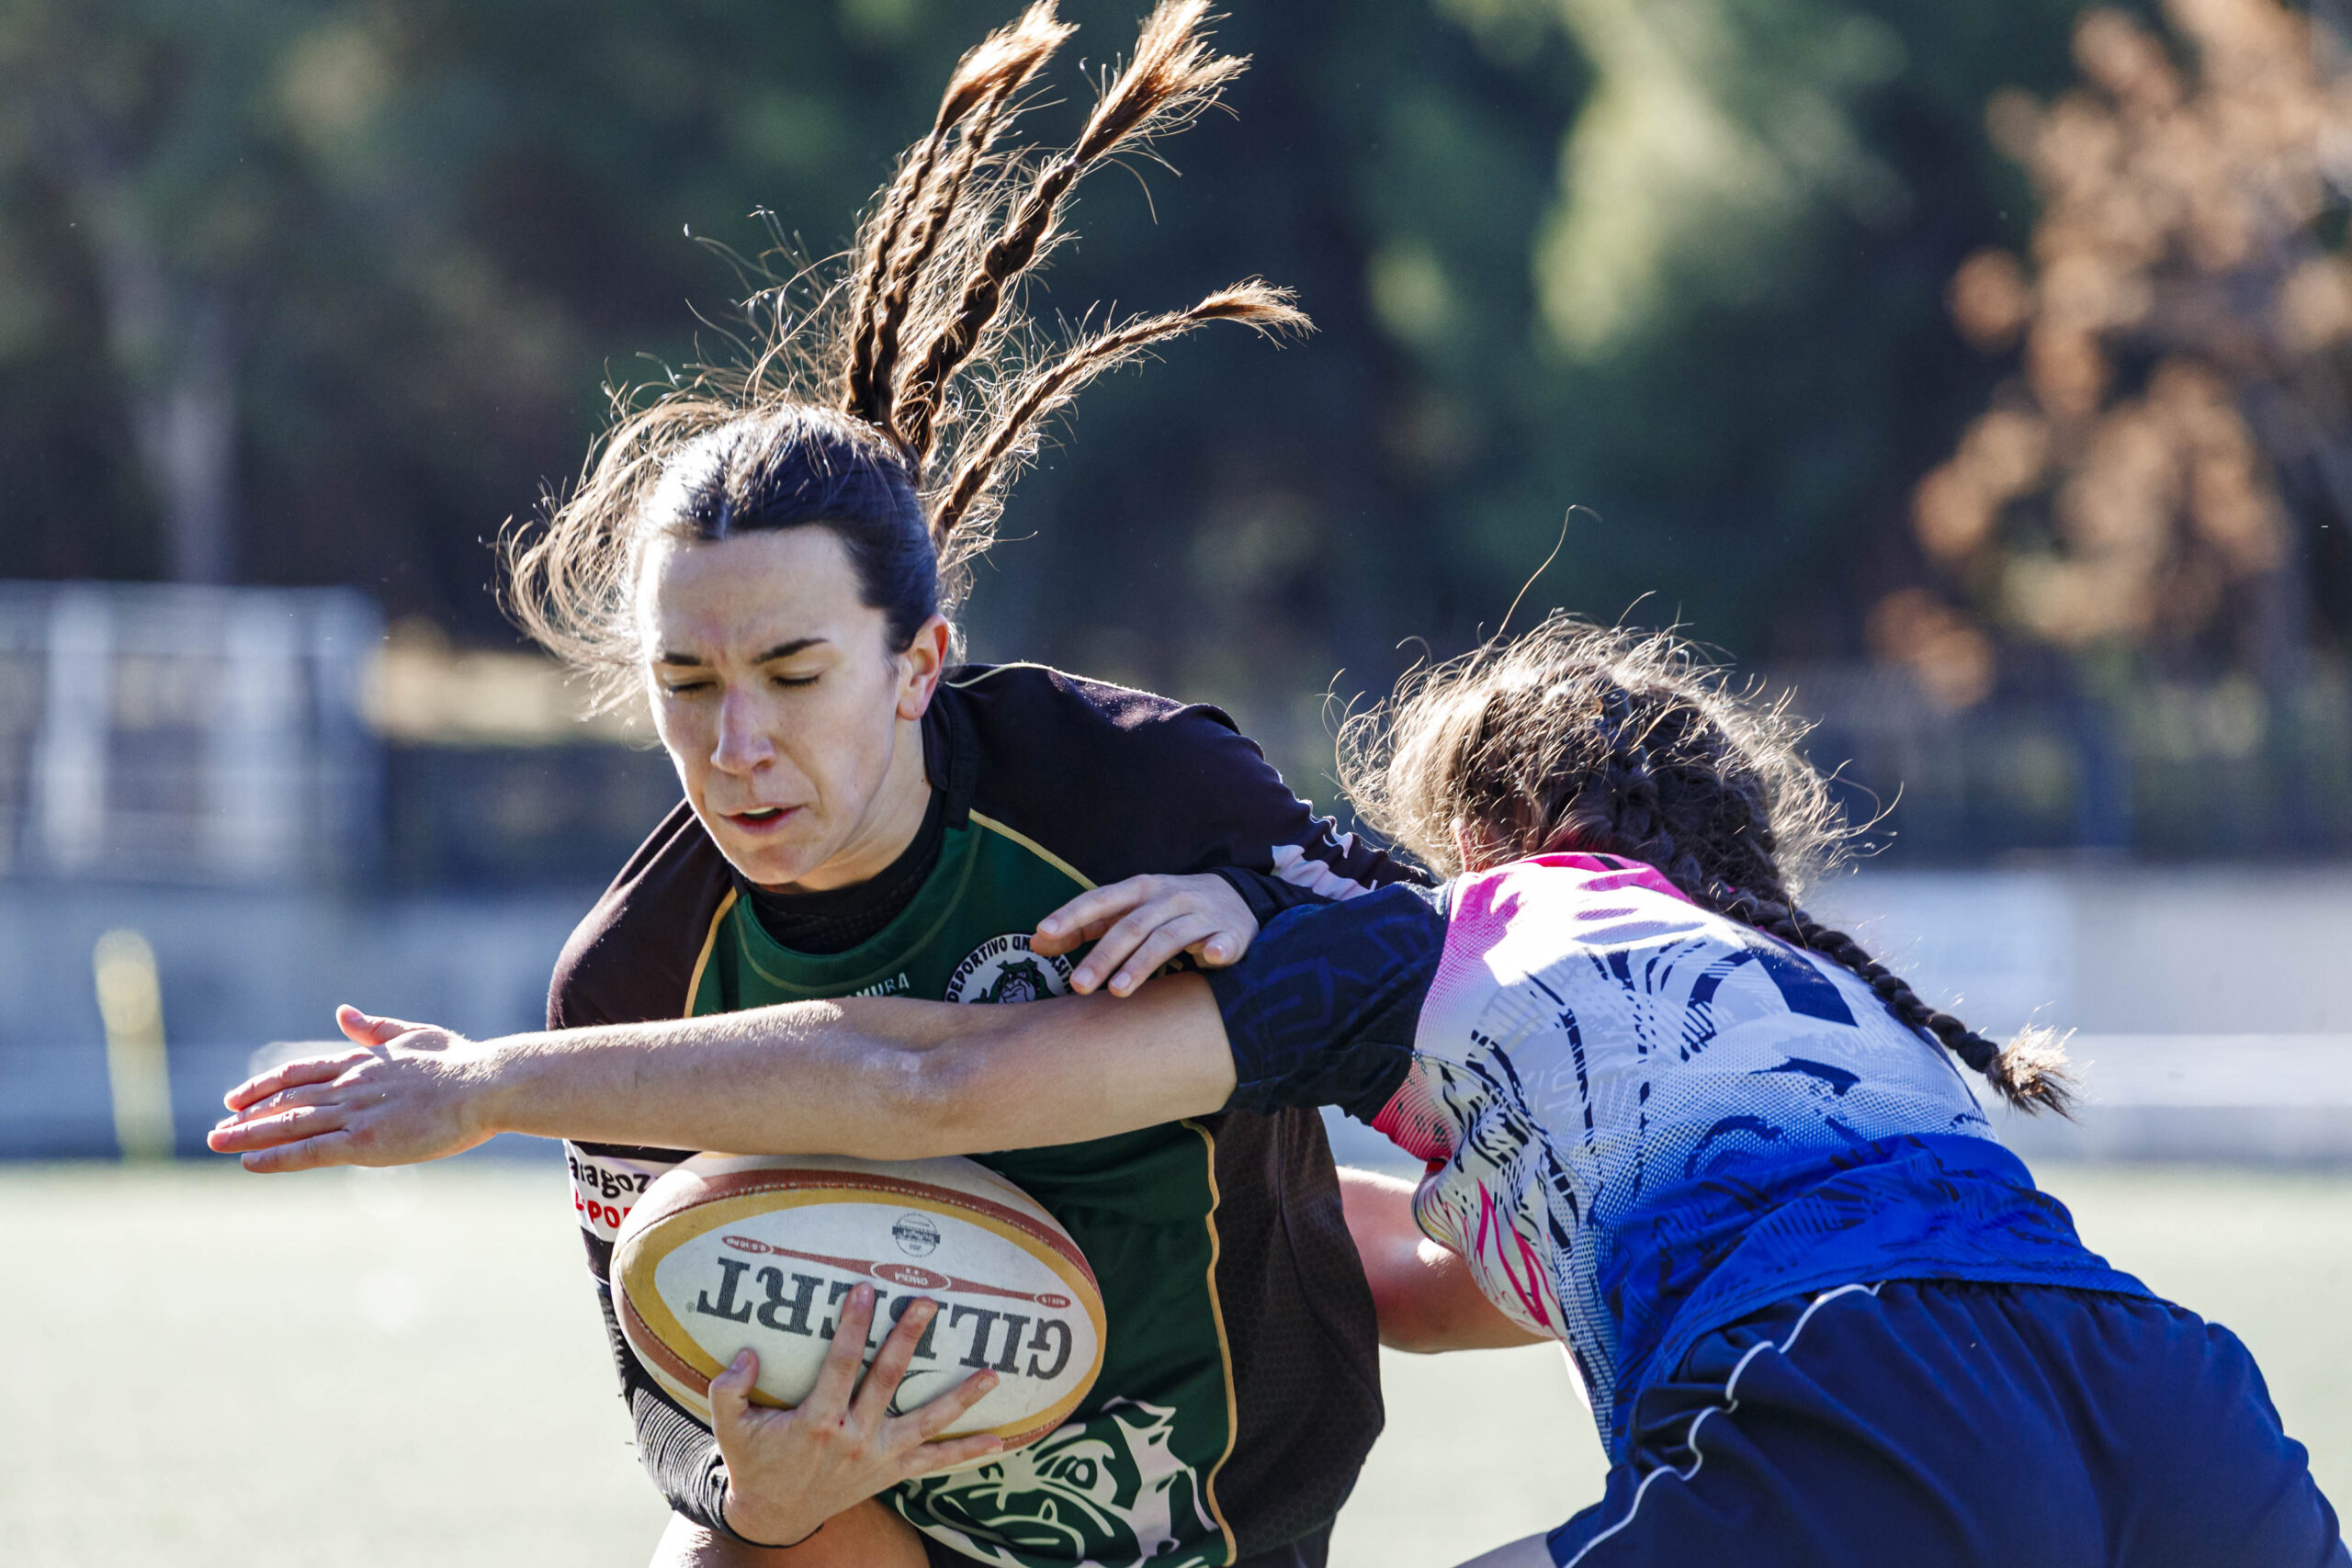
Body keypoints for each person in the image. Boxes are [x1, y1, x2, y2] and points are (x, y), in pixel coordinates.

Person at [220, 615, 2346, 1568]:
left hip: (1881, 1405)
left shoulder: (1435, 937)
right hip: (2179, 1411)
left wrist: (490, 1083)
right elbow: (1457, 1263)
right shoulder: (1790, 983)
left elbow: (915, 1060)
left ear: (1483, 827)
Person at [273, 6, 1426, 1565]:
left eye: (794, 678)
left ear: (918, 659)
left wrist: (1253, 901)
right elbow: (661, 1393)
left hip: (1220, 1531)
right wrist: (758, 1481)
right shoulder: (628, 980)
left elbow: (1416, 934)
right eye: (688, 688)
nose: (736, 745)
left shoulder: (1132, 791)